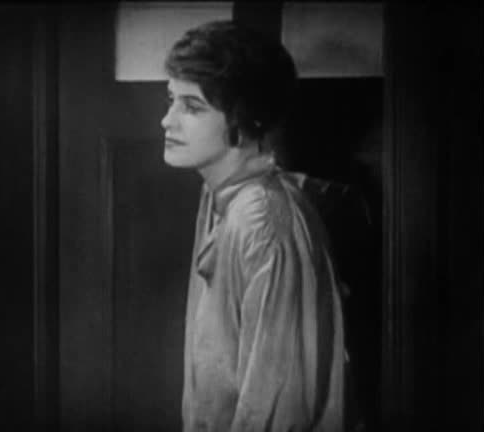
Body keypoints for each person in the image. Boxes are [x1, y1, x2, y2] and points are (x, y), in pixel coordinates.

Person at [161, 21, 346, 432]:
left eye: (192, 107)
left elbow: (279, 405)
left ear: (245, 119)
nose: (166, 121)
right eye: (171, 100)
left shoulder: (261, 220)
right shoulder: (219, 194)